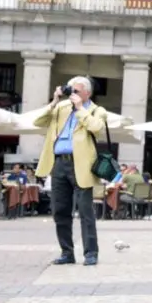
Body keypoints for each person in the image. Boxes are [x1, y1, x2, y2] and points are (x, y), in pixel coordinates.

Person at [33, 77, 108, 266]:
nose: (72, 93)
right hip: (59, 163)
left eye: (77, 90)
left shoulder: (96, 110)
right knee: (60, 210)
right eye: (71, 89)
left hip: (81, 164)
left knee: (85, 211)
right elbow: (38, 121)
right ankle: (67, 252)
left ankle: (91, 253)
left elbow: (96, 127)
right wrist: (55, 100)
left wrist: (80, 109)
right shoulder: (61, 107)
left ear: (87, 94)